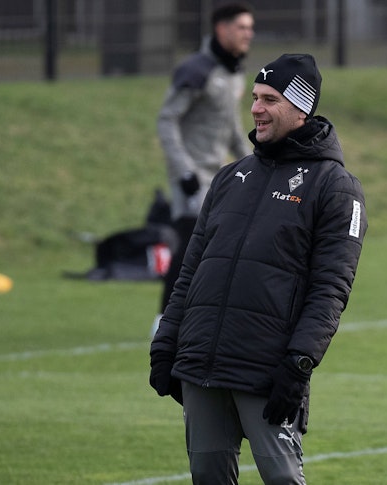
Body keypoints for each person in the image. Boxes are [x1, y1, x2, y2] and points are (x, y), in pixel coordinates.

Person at [150, 53, 367, 484]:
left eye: (269, 99)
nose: (255, 109)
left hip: (266, 370)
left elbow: (331, 288)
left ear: (300, 108)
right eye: (254, 97)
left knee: (283, 480)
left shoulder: (336, 187)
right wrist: (166, 342)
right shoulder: (230, 178)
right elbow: (190, 272)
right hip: (201, 365)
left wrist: (299, 363)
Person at [153, 2, 255, 336]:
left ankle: (208, 318)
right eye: (241, 27)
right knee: (189, 245)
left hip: (219, 175)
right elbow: (167, 121)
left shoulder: (234, 72)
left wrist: (257, 160)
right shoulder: (196, 70)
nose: (248, 34)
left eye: (250, 28)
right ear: (221, 29)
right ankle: (164, 322)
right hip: (192, 176)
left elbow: (231, 127)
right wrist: (183, 171)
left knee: (221, 244)